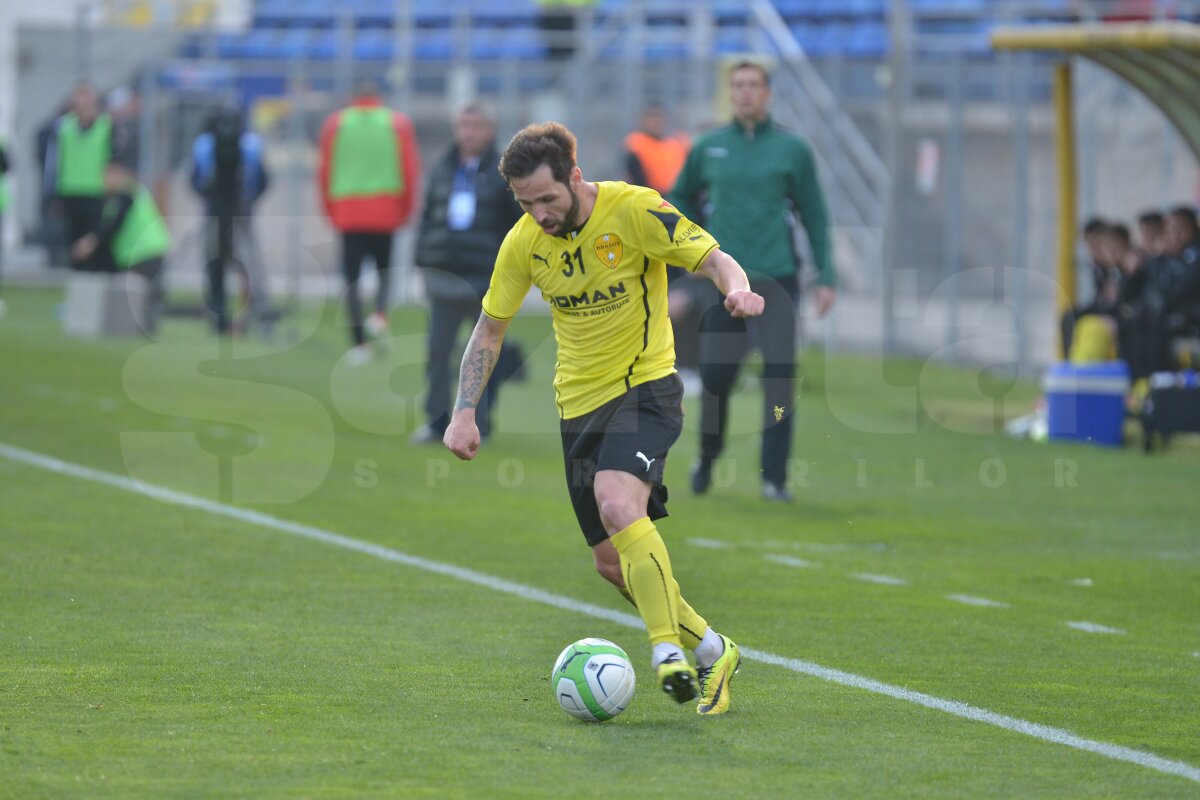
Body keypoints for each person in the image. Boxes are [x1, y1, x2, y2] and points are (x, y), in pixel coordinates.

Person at [443, 122, 764, 715]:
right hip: (577, 407)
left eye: (547, 198)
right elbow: (490, 329)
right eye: (525, 203)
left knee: (621, 505)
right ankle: (714, 649)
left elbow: (714, 258)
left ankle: (667, 652)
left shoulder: (634, 209)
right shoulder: (524, 244)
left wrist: (738, 289)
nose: (538, 213)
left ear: (575, 176)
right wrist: (464, 412)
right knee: (611, 563)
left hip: (646, 387)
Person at [670, 61, 835, 502]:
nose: (745, 93)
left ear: (768, 94)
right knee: (717, 378)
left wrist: (826, 275)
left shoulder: (791, 150)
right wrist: (690, 247)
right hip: (722, 284)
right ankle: (708, 456)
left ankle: (774, 476)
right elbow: (677, 199)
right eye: (738, 85)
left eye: (753, 85)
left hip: (777, 281)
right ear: (730, 93)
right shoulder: (708, 147)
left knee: (780, 381)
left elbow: (815, 215)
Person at [412, 102, 524, 444]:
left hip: (485, 280)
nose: (467, 132)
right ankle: (436, 421)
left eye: (475, 125)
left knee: (483, 355)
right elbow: (429, 216)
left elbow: (515, 225)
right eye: (462, 125)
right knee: (438, 351)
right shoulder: (443, 168)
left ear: (489, 130)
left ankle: (481, 423)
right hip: (445, 277)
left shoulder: (504, 172)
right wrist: (422, 261)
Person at [317, 80, 421, 364]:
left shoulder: (336, 124)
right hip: (386, 208)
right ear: (379, 97)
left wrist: (329, 208)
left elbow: (324, 169)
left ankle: (359, 345)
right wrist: (408, 208)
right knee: (385, 270)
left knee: (351, 279)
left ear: (353, 97)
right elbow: (410, 168)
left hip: (348, 210)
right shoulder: (396, 123)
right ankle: (379, 314)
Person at [623, 105, 703, 395]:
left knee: (683, 300)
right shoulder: (636, 146)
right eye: (651, 117)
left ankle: (687, 367)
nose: (656, 122)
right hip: (654, 216)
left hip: (673, 220)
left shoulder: (677, 147)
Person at [191, 107, 273, 335]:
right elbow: (195, 180)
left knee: (248, 268)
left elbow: (264, 180)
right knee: (216, 265)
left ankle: (255, 316)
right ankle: (219, 316)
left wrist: (248, 199)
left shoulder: (250, 147)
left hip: (239, 213)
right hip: (217, 213)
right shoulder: (206, 148)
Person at [69, 162, 171, 333]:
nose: (103, 182)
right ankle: (143, 331)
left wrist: (90, 242)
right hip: (147, 251)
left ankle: (140, 332)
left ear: (117, 173)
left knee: (140, 299)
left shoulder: (126, 194)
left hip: (145, 252)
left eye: (106, 176)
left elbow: (114, 225)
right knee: (145, 300)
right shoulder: (127, 194)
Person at [44, 83, 112, 271]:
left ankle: (91, 288)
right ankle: (77, 289)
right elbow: (53, 162)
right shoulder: (63, 127)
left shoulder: (106, 126)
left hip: (95, 193)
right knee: (73, 246)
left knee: (94, 244)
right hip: (69, 192)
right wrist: (52, 193)